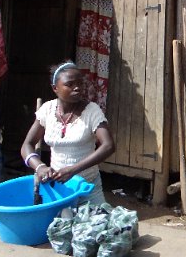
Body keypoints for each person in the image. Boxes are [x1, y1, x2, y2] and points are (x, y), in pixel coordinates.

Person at [21, 62, 115, 205]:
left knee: (97, 225)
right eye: (70, 84)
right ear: (55, 88)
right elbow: (27, 145)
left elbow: (108, 146)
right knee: (60, 225)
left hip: (88, 186)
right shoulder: (47, 110)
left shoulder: (92, 110)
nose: (77, 88)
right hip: (58, 188)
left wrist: (73, 170)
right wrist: (40, 167)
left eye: (80, 83)